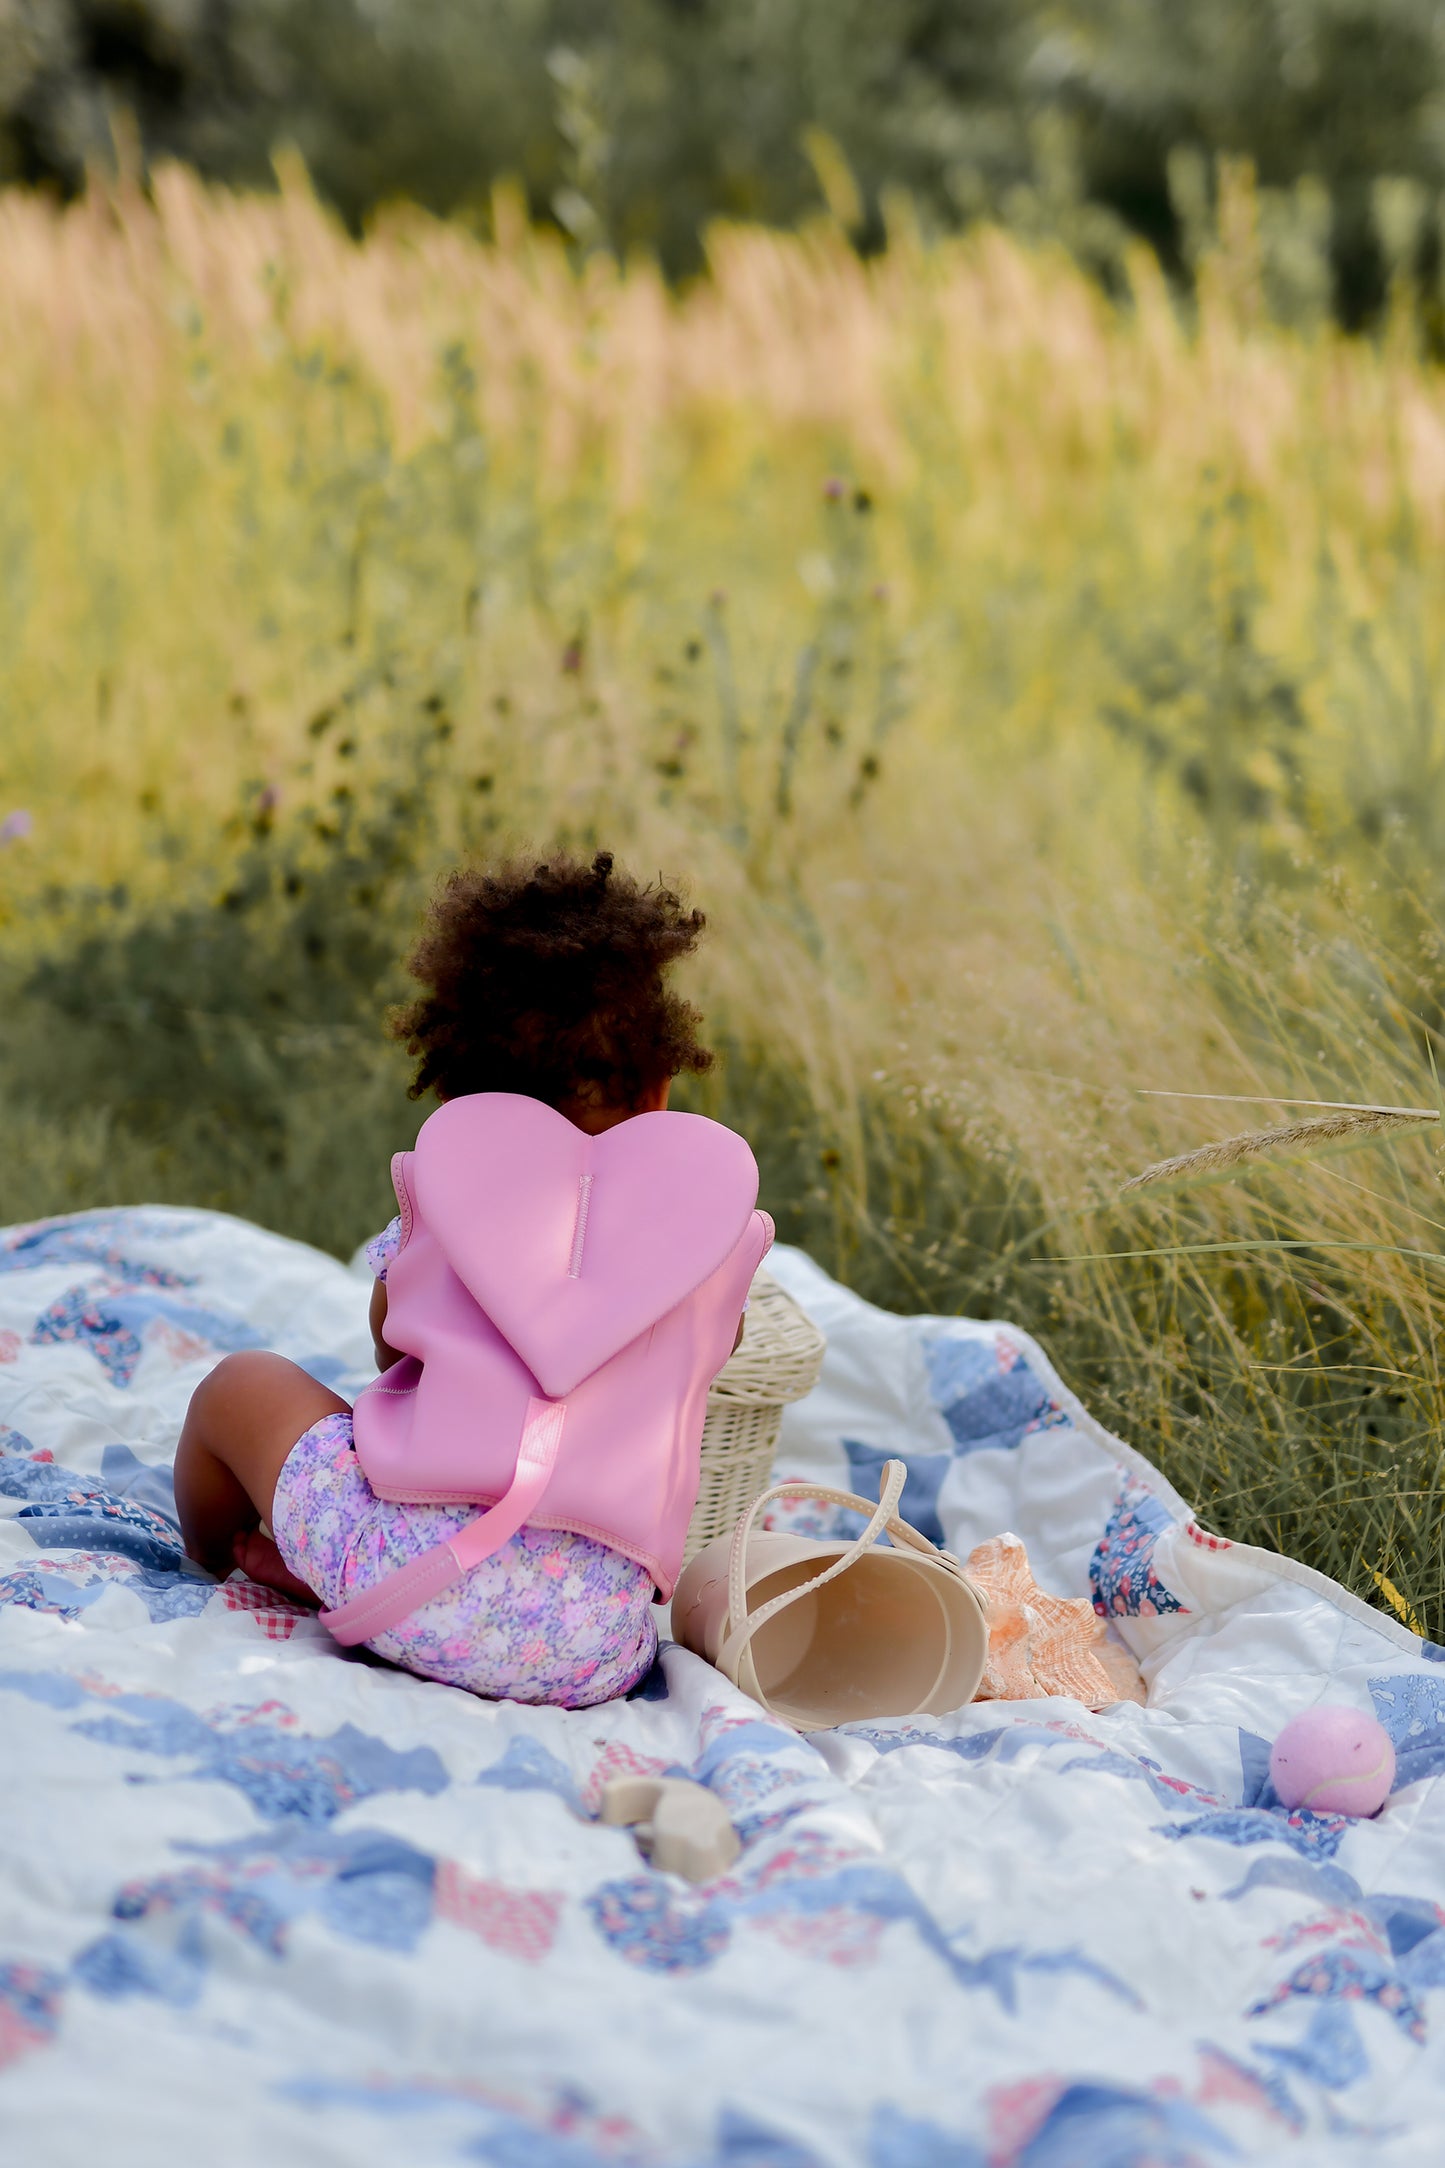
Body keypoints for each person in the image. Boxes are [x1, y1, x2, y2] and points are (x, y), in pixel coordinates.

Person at [174, 849, 761, 1709]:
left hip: (403, 1579)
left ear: (460, 1093)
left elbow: (387, 1350)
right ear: (660, 1085)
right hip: (590, 1645)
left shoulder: (445, 1202)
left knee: (241, 1385)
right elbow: (717, 1354)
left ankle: (228, 1561)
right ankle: (344, 1588)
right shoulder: (709, 1243)